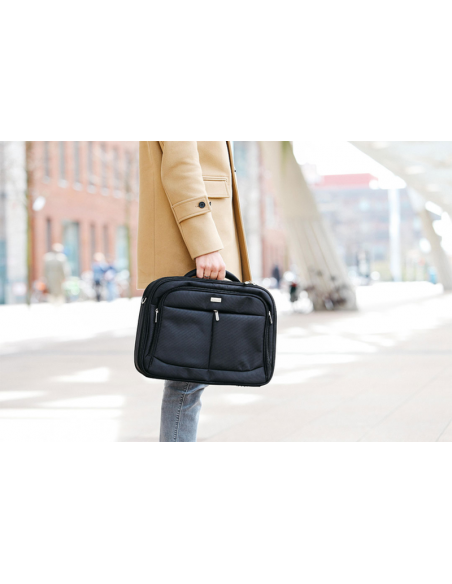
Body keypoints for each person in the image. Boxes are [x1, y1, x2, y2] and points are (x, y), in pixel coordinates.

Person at [138, 141, 252, 442]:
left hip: (201, 240)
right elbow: (181, 166)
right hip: (195, 244)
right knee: (188, 376)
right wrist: (205, 245)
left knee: (190, 375)